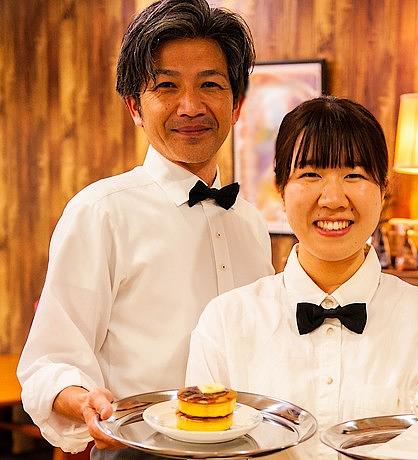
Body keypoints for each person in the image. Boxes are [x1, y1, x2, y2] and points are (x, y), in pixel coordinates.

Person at [17, 0, 274, 456]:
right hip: (137, 450)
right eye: (167, 86)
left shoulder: (251, 224)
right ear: (135, 106)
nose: (190, 106)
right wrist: (85, 401)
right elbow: (48, 362)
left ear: (236, 104)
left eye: (210, 85)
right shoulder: (100, 213)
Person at [185, 96, 418, 459]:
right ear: (281, 189)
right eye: (310, 174)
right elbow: (204, 449)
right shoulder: (226, 321)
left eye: (354, 175)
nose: (333, 199)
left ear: (384, 188)